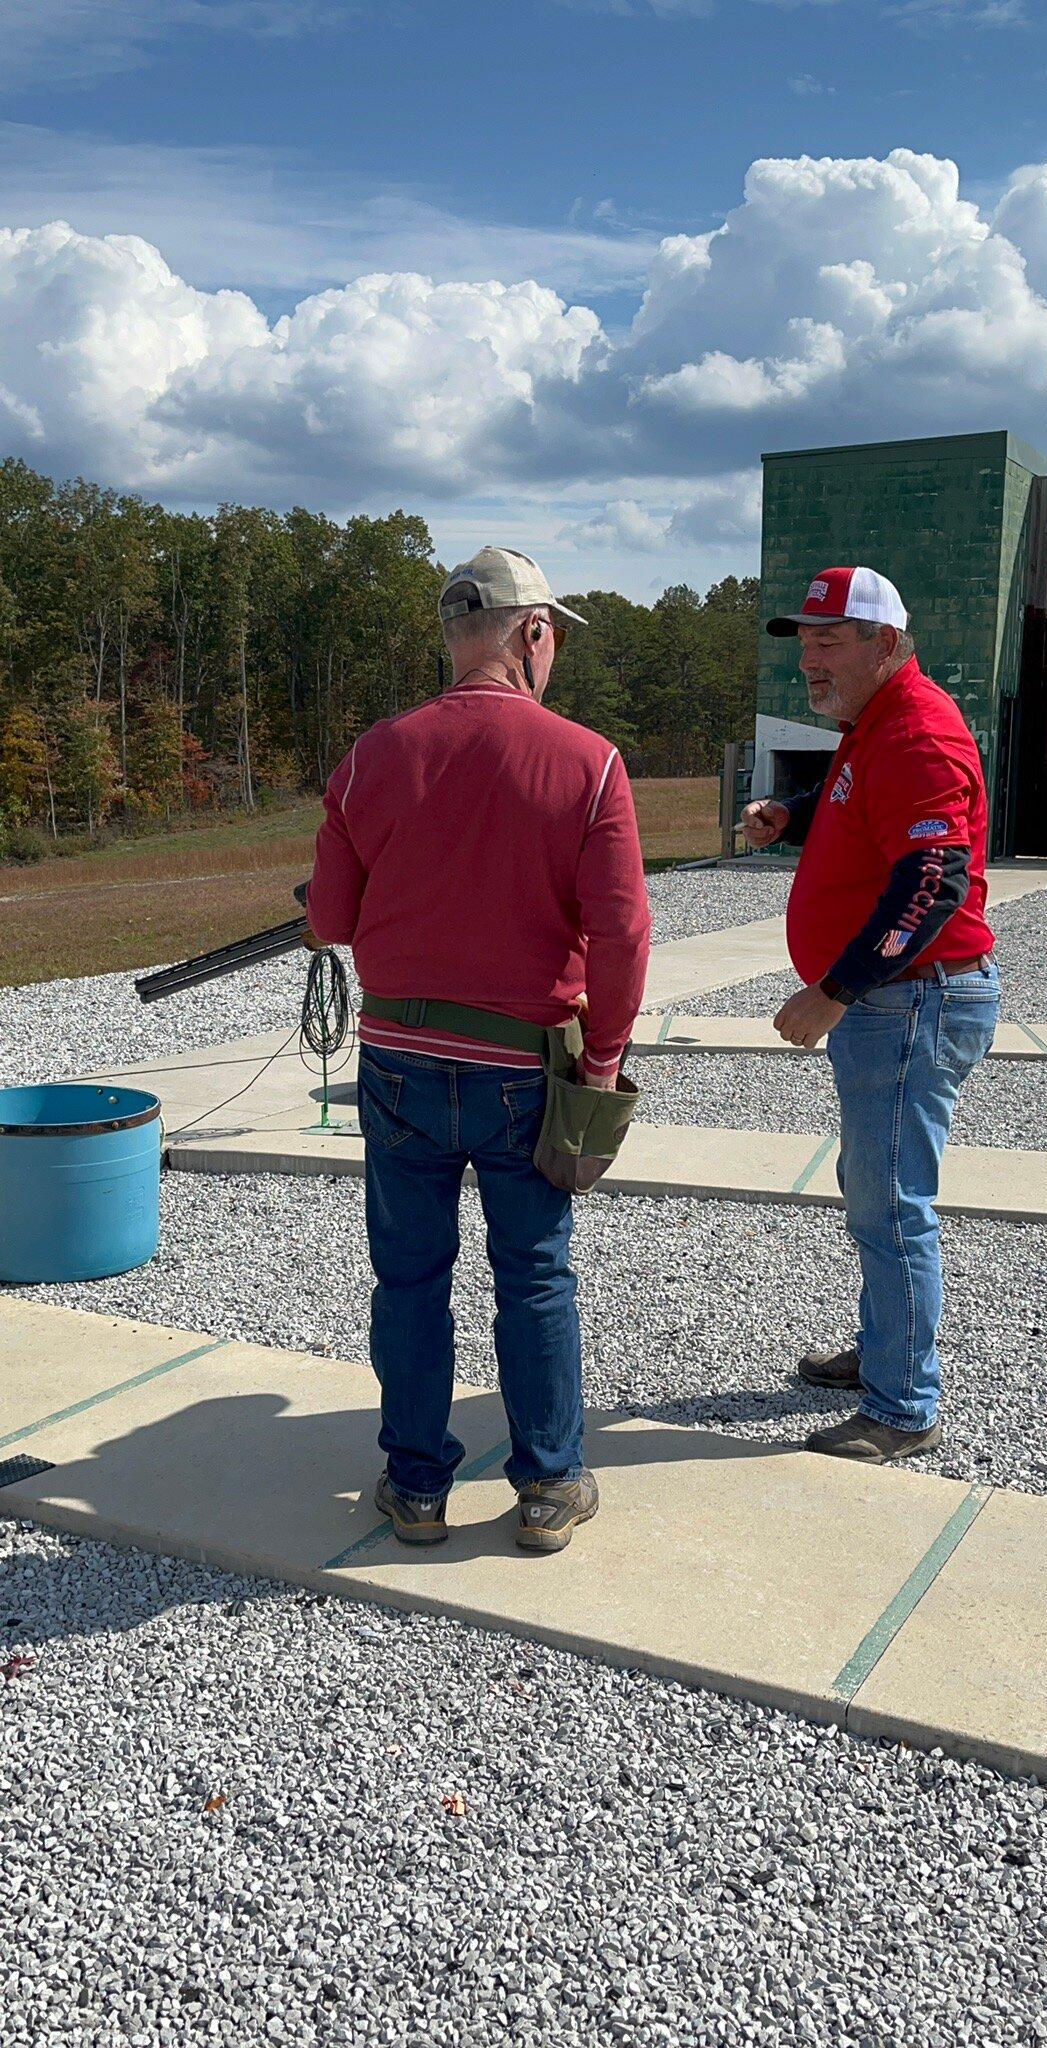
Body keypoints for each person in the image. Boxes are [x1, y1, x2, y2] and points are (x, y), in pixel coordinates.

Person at [306, 547, 651, 1551]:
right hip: (523, 1066)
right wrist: (600, 1067)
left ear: (455, 638)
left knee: (408, 1277)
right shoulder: (590, 763)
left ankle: (415, 1484)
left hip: (398, 1059)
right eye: (551, 639)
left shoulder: (371, 756)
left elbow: (330, 914)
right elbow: (624, 935)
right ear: (530, 634)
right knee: (534, 1273)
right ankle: (545, 1485)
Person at [743, 566, 999, 1463]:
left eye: (830, 640)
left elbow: (933, 882)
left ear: (886, 643)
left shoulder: (918, 732)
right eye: (804, 640)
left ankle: (902, 1407)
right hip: (895, 1003)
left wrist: (833, 991)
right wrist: (794, 810)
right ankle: (886, 1353)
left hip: (907, 1001)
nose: (809, 659)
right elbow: (863, 808)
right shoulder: (874, 725)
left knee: (891, 1206)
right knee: (873, 1188)